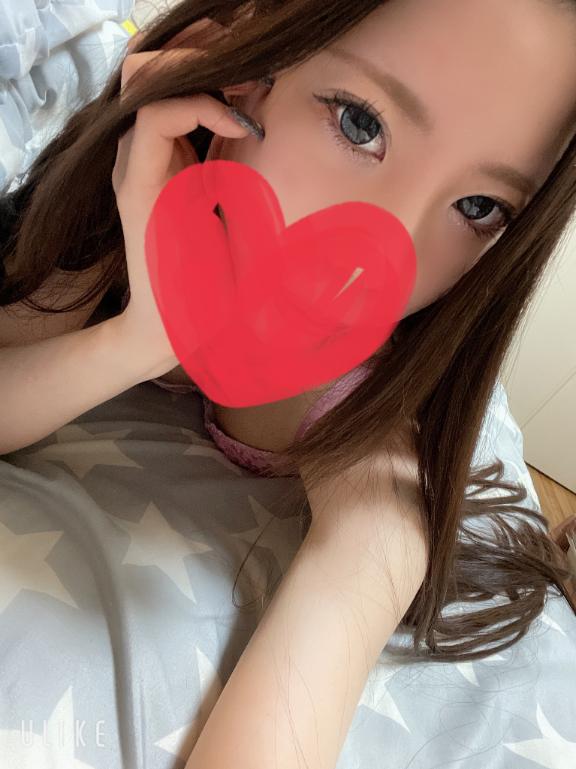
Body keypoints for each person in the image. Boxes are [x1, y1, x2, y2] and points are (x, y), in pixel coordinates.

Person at [0, 0, 574, 685]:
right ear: (240, 75)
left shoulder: (361, 426)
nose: (378, 263)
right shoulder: (139, 201)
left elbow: (358, 576)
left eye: (478, 207)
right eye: (360, 124)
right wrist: (143, 338)